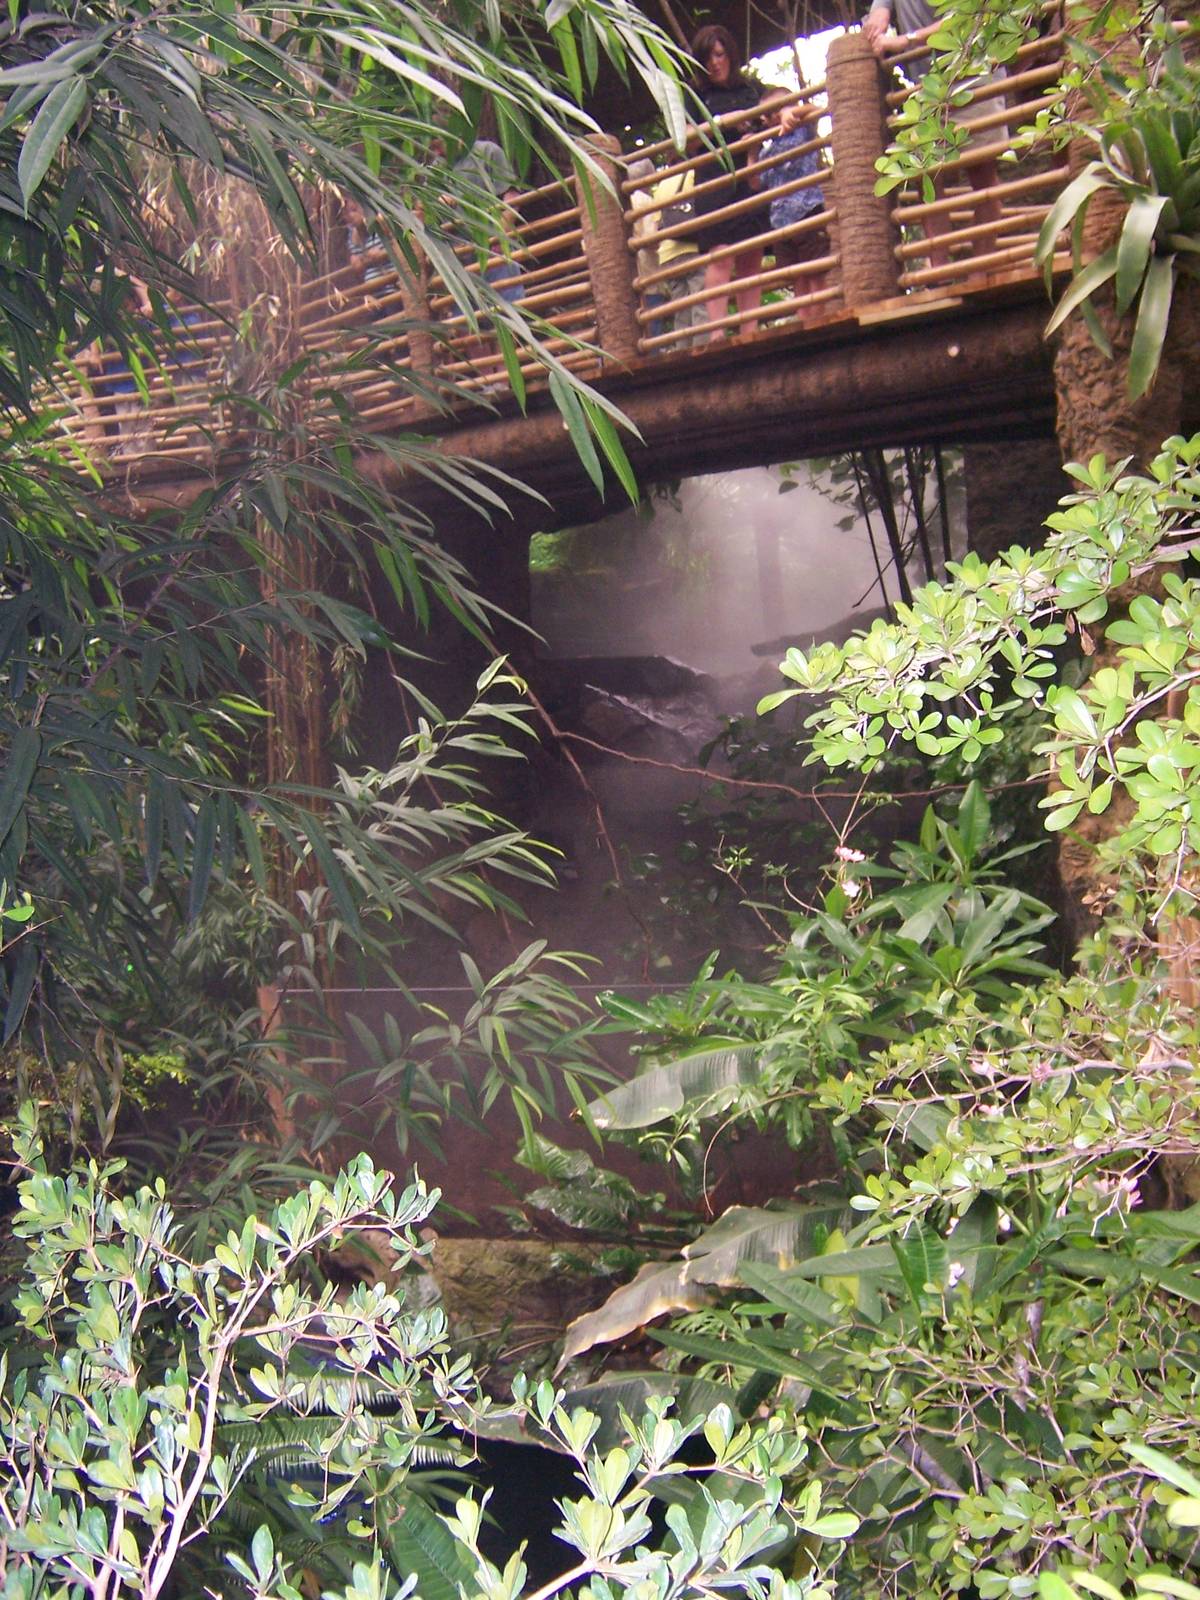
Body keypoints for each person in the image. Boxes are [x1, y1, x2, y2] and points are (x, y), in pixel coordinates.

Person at [864, 0, 1003, 273]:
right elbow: (879, 11)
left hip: (972, 74)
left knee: (982, 174)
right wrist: (875, 27)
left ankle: (981, 270)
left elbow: (966, 16)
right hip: (926, 88)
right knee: (925, 177)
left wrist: (907, 40)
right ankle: (938, 272)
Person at [688, 25, 770, 342]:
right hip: (714, 181)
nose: (715, 63)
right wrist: (725, 121)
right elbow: (687, 141)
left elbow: (774, 112)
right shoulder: (695, 95)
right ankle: (717, 334)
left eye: (720, 55)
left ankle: (750, 329)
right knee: (720, 254)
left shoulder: (750, 89)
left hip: (748, 177)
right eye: (708, 57)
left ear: (730, 56)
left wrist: (755, 130)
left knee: (751, 255)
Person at [759, 100, 829, 325]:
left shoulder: (803, 130)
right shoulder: (766, 151)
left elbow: (817, 111)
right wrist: (751, 149)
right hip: (780, 221)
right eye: (766, 115)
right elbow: (757, 180)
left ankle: (819, 317)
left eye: (774, 111)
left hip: (807, 209)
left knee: (815, 269)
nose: (769, 118)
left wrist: (792, 111)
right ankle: (804, 318)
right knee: (795, 273)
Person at [649, 164, 707, 351]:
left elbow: (656, 225)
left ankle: (682, 351)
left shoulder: (661, 185)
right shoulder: (694, 173)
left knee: (680, 306)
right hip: (691, 247)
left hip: (667, 255)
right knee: (701, 300)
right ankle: (702, 349)